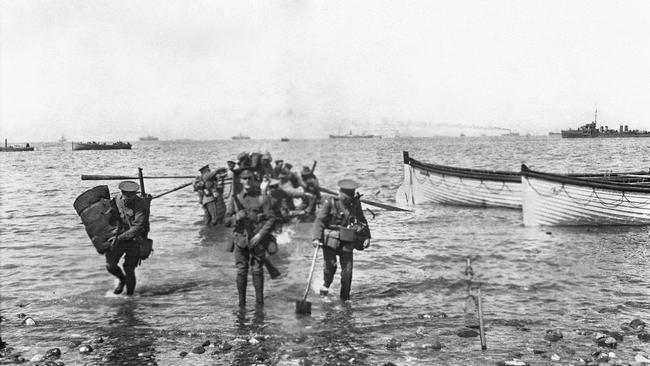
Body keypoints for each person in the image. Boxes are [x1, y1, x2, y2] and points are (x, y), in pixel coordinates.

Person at [224, 169, 278, 307]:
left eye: (250, 178)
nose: (247, 181)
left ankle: (260, 303)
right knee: (241, 271)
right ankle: (241, 303)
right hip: (240, 241)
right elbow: (225, 221)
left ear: (253, 180)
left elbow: (271, 219)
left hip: (257, 241)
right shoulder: (235, 199)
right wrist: (237, 217)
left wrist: (260, 235)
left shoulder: (263, 198)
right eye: (244, 178)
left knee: (257, 270)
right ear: (241, 181)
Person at [311, 179, 370, 301]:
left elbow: (361, 219)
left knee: (348, 271)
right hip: (330, 241)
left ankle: (345, 298)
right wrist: (316, 238)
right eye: (348, 194)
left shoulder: (355, 203)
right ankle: (325, 286)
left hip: (347, 240)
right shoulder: (331, 202)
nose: (350, 197)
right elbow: (320, 221)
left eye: (352, 194)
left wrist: (367, 236)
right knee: (330, 267)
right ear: (342, 193)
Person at [106, 181, 150, 295]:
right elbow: (109, 218)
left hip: (135, 240)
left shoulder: (140, 204)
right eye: (127, 195)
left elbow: (138, 226)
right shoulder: (116, 200)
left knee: (129, 269)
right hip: (119, 238)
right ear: (122, 193)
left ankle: (130, 297)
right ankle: (121, 279)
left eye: (133, 194)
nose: (130, 198)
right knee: (110, 265)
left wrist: (120, 238)